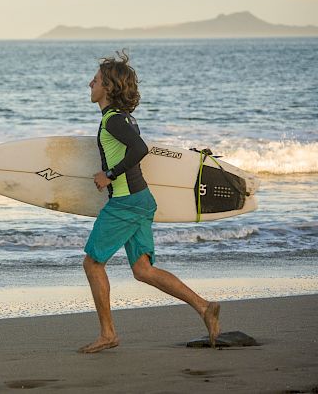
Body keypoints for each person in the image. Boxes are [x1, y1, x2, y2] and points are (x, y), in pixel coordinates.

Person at [79, 49, 220, 354]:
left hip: (127, 203)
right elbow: (134, 147)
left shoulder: (113, 121)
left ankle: (108, 333)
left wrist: (109, 174)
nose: (90, 83)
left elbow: (139, 149)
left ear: (109, 87)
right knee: (143, 270)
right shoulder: (123, 118)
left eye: (96, 79)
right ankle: (204, 307)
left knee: (92, 263)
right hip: (140, 200)